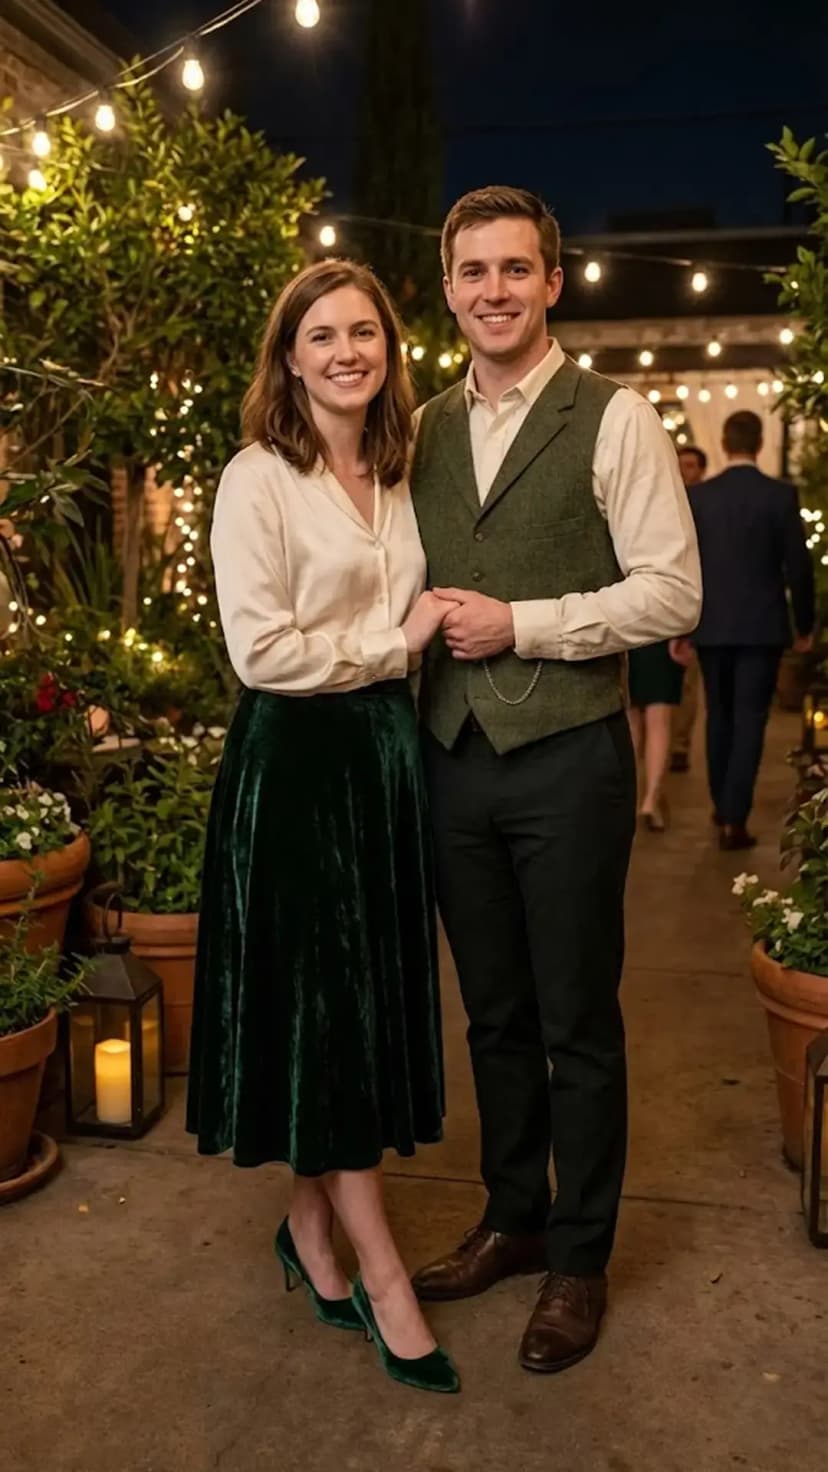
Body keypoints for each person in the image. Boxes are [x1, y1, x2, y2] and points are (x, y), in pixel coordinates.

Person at [408, 186, 701, 1374]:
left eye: (514, 269)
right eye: (473, 271)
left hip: (572, 758)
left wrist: (521, 620)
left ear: (553, 281)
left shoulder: (613, 416)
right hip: (450, 760)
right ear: (447, 288)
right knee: (494, 1014)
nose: (494, 290)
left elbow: (671, 593)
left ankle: (580, 1258)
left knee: (578, 1017)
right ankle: (514, 1214)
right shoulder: (417, 425)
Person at [186, 259, 460, 1395]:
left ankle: (309, 1226)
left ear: (389, 352)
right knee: (330, 1017)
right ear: (288, 357)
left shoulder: (399, 474)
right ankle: (385, 1275)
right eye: (323, 335)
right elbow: (261, 653)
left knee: (334, 1018)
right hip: (297, 768)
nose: (349, 350)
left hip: (384, 767)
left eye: (367, 333)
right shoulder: (258, 477)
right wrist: (398, 644)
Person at [687, 409, 815, 851]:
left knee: (718, 716)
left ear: (724, 442)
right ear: (759, 444)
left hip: (710, 624)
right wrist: (805, 623)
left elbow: (688, 569)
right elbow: (797, 566)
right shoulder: (779, 495)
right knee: (750, 721)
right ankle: (734, 819)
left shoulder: (700, 498)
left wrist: (682, 628)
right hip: (761, 626)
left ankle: (723, 805)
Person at [670, 446, 708, 773]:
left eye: (691, 466)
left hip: (692, 607)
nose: (686, 472)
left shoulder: (705, 505)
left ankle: (680, 745)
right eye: (681, 465)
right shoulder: (659, 500)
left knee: (687, 683)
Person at [626, 634, 689, 831]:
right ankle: (651, 800)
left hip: (623, 635)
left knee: (630, 724)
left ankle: (628, 801)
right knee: (659, 721)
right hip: (659, 632)